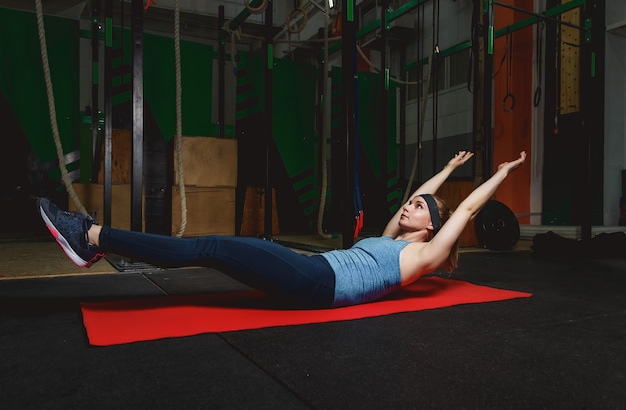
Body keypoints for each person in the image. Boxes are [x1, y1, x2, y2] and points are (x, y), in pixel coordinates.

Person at [38, 150, 526, 308]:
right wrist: (441, 170)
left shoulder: (422, 257)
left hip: (317, 282)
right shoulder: (389, 239)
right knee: (209, 250)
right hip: (310, 270)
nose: (409, 205)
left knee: (208, 247)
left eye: (420, 208)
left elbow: (460, 215)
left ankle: (92, 236)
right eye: (412, 201)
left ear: (432, 229)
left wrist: (501, 175)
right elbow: (421, 195)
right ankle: (93, 238)